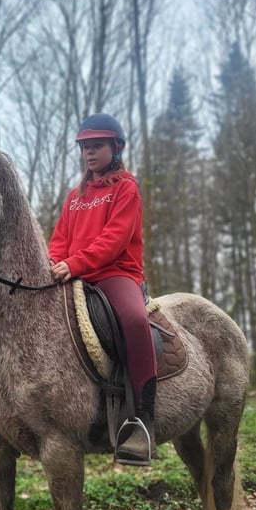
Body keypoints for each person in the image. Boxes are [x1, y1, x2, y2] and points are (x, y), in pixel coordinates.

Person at [48, 113, 157, 465]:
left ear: (117, 147)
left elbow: (115, 239)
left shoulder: (126, 187)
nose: (89, 153)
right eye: (84, 147)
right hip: (74, 274)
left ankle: (143, 420)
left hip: (115, 273)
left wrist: (74, 264)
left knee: (136, 322)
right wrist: (52, 264)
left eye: (96, 146)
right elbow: (60, 238)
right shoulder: (74, 196)